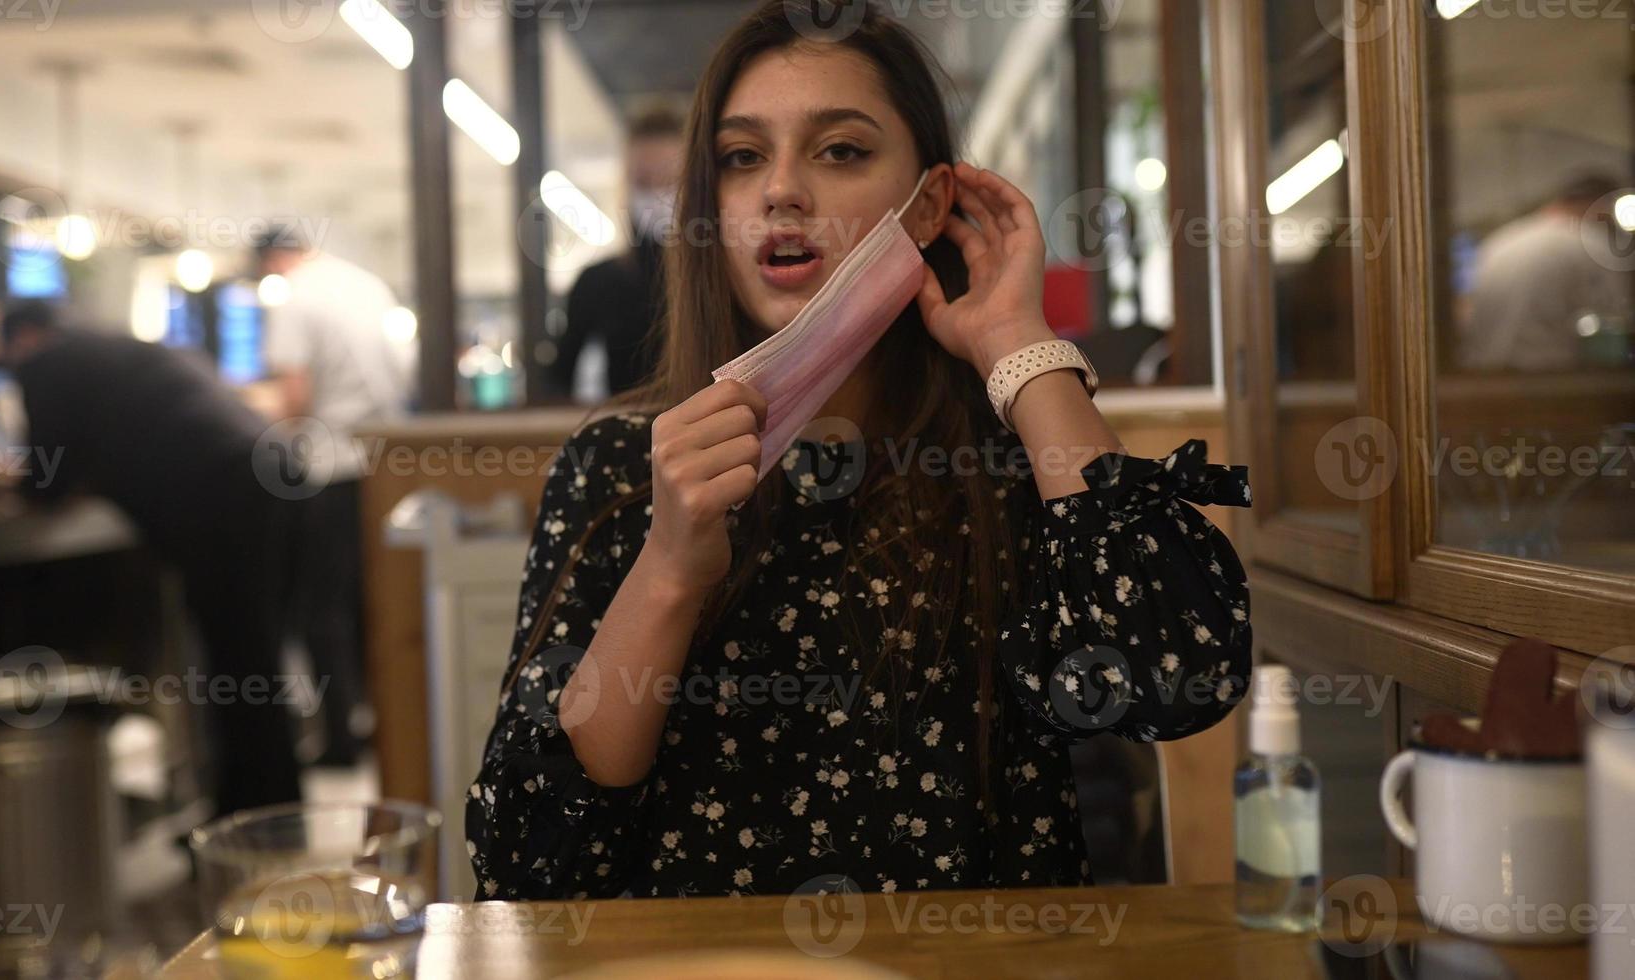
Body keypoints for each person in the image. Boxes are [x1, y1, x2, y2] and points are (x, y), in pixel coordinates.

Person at [464, 0, 1252, 899]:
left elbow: (1181, 676)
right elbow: (527, 858)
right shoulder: (618, 463)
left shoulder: (1012, 457)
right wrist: (671, 567)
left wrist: (1019, 349)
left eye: (840, 150)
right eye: (741, 157)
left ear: (929, 206)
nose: (781, 191)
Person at [0, 301, 300, 818]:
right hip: (267, 474)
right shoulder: (118, 348)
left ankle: (252, 817)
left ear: (22, 338)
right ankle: (264, 808)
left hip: (221, 490)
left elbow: (46, 482)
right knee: (251, 656)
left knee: (238, 658)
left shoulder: (44, 364)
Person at [255, 230, 413, 765]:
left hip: (334, 465)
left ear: (273, 260)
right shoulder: (366, 284)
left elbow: (294, 400)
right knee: (375, 601)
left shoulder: (292, 293)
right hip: (388, 466)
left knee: (320, 611)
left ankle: (339, 743)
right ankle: (388, 722)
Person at [549, 109, 685, 398]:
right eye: (643, 183)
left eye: (668, 181)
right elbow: (556, 383)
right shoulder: (598, 282)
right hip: (627, 438)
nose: (655, 196)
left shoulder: (726, 280)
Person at [1458, 174, 1630, 372]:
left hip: (1484, 379)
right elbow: (1612, 324)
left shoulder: (1502, 238)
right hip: (1549, 382)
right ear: (1602, 206)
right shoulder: (1590, 244)